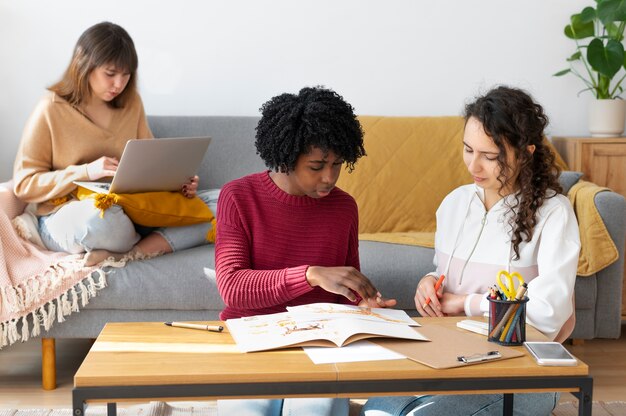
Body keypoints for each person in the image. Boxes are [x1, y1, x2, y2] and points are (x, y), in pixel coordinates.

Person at [361, 86, 580, 416]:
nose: (474, 165)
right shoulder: (455, 203)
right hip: (448, 356)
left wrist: (467, 304)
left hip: (521, 371)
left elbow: (548, 314)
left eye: (490, 156)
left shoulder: (554, 213)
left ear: (525, 153)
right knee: (379, 411)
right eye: (468, 150)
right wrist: (429, 282)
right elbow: (445, 275)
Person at [215, 86, 396, 416]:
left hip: (321, 342)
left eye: (338, 164)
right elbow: (233, 289)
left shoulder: (344, 207)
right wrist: (310, 275)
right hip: (254, 339)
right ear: (286, 157)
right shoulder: (238, 197)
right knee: (249, 411)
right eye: (316, 166)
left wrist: (365, 301)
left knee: (317, 410)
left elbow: (345, 286)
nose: (329, 177)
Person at [12, 22, 213, 266]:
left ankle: (129, 252)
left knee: (228, 203)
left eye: (126, 75)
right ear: (84, 65)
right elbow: (24, 184)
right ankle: (147, 243)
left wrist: (179, 183)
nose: (119, 84)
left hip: (134, 208)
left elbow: (151, 163)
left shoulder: (132, 104)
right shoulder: (51, 108)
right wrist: (86, 171)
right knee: (99, 221)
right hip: (72, 213)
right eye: (110, 74)